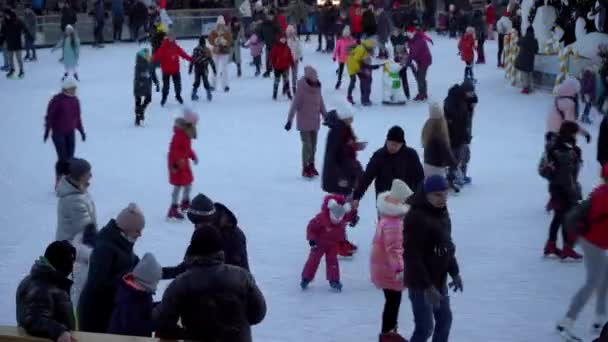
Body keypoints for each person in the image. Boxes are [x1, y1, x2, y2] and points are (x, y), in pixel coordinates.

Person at [154, 226, 267, 341]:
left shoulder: (180, 284)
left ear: (192, 250)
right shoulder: (242, 276)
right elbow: (258, 314)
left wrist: (184, 334)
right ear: (220, 251)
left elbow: (161, 321)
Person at [403, 175, 463, 342]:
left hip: (439, 279)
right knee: (425, 328)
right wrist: (427, 287)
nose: (442, 198)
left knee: (445, 321)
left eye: (444, 193)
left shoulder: (442, 213)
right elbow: (412, 256)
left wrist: (455, 272)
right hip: (420, 283)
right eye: (437, 194)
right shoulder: (416, 218)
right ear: (426, 194)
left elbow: (447, 246)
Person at [557, 164, 608, 338]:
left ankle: (600, 317)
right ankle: (568, 320)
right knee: (592, 282)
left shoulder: (601, 191)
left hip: (594, 241)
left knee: (605, 275)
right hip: (593, 242)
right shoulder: (604, 195)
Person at [78, 203, 146, 333]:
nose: (140, 234)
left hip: (109, 311)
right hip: (94, 315)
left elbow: (145, 270)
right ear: (127, 228)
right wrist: (128, 275)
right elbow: (98, 285)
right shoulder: (105, 248)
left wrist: (178, 270)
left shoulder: (124, 244)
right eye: (138, 230)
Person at [370, 179, 413, 341]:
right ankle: (388, 335)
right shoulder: (394, 223)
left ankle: (389, 332)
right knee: (393, 303)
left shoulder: (387, 216)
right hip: (390, 271)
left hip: (382, 267)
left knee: (391, 302)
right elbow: (394, 250)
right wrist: (400, 270)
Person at [16, 241, 77, 342]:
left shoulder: (46, 280)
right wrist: (59, 332)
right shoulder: (41, 287)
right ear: (60, 262)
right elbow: (34, 319)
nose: (71, 267)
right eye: (69, 261)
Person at [353, 126, 424, 206]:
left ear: (402, 144)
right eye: (391, 143)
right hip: (385, 201)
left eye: (396, 145)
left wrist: (419, 197)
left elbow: (420, 178)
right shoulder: (379, 156)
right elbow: (367, 177)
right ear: (387, 141)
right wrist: (357, 197)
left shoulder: (411, 155)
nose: (393, 147)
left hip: (405, 200)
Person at [543, 121, 583, 260]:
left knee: (559, 217)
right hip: (563, 188)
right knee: (565, 218)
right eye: (574, 132)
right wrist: (572, 191)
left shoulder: (557, 145)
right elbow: (566, 173)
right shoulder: (564, 149)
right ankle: (566, 248)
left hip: (556, 187)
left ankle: (552, 245)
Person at [301, 194, 356, 291]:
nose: (336, 221)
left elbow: (350, 215)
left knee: (332, 261)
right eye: (334, 219)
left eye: (339, 219)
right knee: (313, 260)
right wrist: (312, 239)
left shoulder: (343, 218)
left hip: (333, 244)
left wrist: (354, 218)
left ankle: (334, 280)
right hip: (319, 243)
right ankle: (306, 277)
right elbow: (311, 228)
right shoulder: (321, 218)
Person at [285, 65, 327, 178]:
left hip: (315, 122)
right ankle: (305, 167)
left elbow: (321, 103)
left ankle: (311, 165)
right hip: (304, 123)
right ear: (308, 79)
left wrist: (326, 117)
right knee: (307, 145)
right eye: (312, 80)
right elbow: (294, 105)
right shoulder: (301, 90)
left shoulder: (317, 88)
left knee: (313, 146)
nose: (314, 82)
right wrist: (289, 120)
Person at [108, 253, 162, 337]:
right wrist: (160, 322)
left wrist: (163, 304)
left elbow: (145, 310)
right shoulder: (128, 301)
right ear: (147, 282)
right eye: (156, 282)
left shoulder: (139, 291)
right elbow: (136, 328)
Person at [44, 77, 85, 188]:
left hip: (70, 132)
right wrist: (47, 131)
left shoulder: (75, 100)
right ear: (66, 89)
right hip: (58, 133)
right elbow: (50, 116)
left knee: (70, 158)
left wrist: (81, 131)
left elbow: (77, 117)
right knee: (63, 158)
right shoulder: (57, 100)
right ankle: (59, 180)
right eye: (72, 88)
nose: (74, 90)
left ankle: (69, 181)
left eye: (75, 88)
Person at [167, 109, 199, 220]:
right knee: (178, 185)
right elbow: (174, 150)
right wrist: (177, 163)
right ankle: (173, 208)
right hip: (176, 164)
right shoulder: (179, 135)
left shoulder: (186, 134)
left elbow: (187, 149)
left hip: (183, 163)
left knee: (188, 183)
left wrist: (193, 156)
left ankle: (185, 203)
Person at [55, 157, 96, 243]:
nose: (91, 175)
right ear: (81, 177)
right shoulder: (74, 201)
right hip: (72, 247)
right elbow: (86, 230)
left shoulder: (77, 187)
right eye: (88, 173)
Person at [152, 33, 192, 106]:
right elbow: (156, 56)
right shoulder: (163, 47)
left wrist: (191, 59)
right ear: (168, 38)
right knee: (166, 86)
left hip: (175, 70)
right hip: (166, 71)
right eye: (171, 37)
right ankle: (164, 98)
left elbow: (183, 54)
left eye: (173, 38)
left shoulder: (175, 46)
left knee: (178, 85)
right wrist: (149, 62)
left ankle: (178, 96)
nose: (172, 39)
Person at [546, 78, 591, 142]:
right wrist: (585, 133)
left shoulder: (557, 99)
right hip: (561, 139)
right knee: (577, 151)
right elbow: (571, 125)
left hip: (550, 136)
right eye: (576, 92)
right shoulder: (569, 104)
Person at [422, 103, 457, 177]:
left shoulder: (427, 127)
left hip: (427, 164)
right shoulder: (439, 134)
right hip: (437, 168)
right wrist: (454, 164)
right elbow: (445, 152)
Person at [406, 26, 432, 101]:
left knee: (420, 77)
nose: (408, 35)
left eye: (409, 33)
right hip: (420, 61)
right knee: (421, 77)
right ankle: (423, 93)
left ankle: (422, 94)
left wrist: (408, 61)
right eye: (407, 33)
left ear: (413, 32)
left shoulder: (419, 40)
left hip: (424, 61)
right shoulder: (413, 39)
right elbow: (411, 51)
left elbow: (414, 53)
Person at [346, 39, 375, 105]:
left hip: (357, 66)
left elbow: (364, 59)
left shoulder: (365, 49)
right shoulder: (361, 49)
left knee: (363, 80)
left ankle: (364, 98)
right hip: (352, 66)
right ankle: (349, 97)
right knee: (353, 81)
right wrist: (360, 70)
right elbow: (355, 60)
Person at [1, 9, 28, 78]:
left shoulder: (17, 20)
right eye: (5, 15)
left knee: (18, 58)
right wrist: (1, 41)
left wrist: (25, 34)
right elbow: (3, 33)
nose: (6, 16)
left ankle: (21, 71)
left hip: (17, 42)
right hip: (9, 42)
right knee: (10, 58)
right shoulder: (4, 22)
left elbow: (24, 27)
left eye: (6, 14)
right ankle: (12, 69)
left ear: (9, 14)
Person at [208, 15, 233, 93]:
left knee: (224, 69)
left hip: (225, 52)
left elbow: (230, 42)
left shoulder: (227, 32)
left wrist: (224, 42)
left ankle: (225, 85)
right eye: (219, 24)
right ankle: (212, 85)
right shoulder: (213, 32)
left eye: (222, 24)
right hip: (216, 52)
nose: (220, 26)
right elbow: (210, 40)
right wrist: (215, 41)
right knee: (214, 68)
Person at [189, 36, 216, 102]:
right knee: (205, 81)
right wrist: (214, 69)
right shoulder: (207, 50)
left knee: (197, 82)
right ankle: (209, 94)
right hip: (204, 68)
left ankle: (193, 94)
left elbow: (192, 59)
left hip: (197, 68)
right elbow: (210, 60)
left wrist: (190, 68)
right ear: (204, 42)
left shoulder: (195, 49)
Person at [515, 26, 538, 94]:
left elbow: (518, 43)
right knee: (529, 73)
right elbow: (536, 50)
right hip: (530, 59)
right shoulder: (535, 40)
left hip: (522, 59)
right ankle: (531, 87)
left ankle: (525, 88)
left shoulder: (523, 38)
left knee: (524, 74)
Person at [269, 34, 294, 100]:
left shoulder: (287, 48)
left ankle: (289, 94)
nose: (283, 40)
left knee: (286, 80)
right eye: (282, 39)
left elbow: (290, 56)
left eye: (284, 39)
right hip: (277, 67)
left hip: (285, 67)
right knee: (277, 81)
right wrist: (272, 65)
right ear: (279, 39)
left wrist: (292, 63)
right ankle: (274, 94)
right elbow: (272, 56)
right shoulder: (276, 47)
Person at [133, 48, 153, 126]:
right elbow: (139, 74)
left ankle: (139, 114)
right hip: (141, 83)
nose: (149, 55)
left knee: (141, 100)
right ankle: (139, 114)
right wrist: (146, 75)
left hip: (144, 84)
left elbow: (151, 72)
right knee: (143, 100)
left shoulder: (146, 62)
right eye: (147, 54)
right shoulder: (141, 63)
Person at [391, 27, 412, 100]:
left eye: (395, 31)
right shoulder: (393, 38)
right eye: (393, 32)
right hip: (397, 61)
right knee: (396, 79)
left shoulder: (402, 38)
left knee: (403, 78)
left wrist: (403, 63)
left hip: (402, 61)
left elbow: (408, 42)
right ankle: (394, 95)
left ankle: (407, 94)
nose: (394, 33)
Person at [259, 11, 281, 77]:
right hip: (267, 43)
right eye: (269, 16)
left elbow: (280, 32)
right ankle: (268, 71)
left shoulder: (276, 23)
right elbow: (261, 32)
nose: (270, 17)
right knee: (268, 58)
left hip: (275, 43)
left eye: (271, 16)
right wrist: (262, 39)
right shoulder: (264, 23)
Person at [334, 26, 355, 90]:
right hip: (341, 58)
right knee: (340, 71)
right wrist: (334, 56)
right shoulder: (340, 41)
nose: (346, 35)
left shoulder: (352, 40)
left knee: (351, 71)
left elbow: (355, 49)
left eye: (347, 34)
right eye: (345, 34)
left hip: (349, 58)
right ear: (343, 34)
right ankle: (339, 81)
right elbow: (336, 49)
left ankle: (353, 82)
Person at [286, 25, 303, 95]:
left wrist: (300, 56)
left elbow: (299, 49)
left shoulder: (297, 40)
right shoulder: (286, 41)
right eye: (290, 33)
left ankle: (294, 86)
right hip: (287, 60)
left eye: (292, 32)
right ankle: (286, 86)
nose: (291, 34)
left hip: (295, 59)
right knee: (286, 74)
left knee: (294, 74)